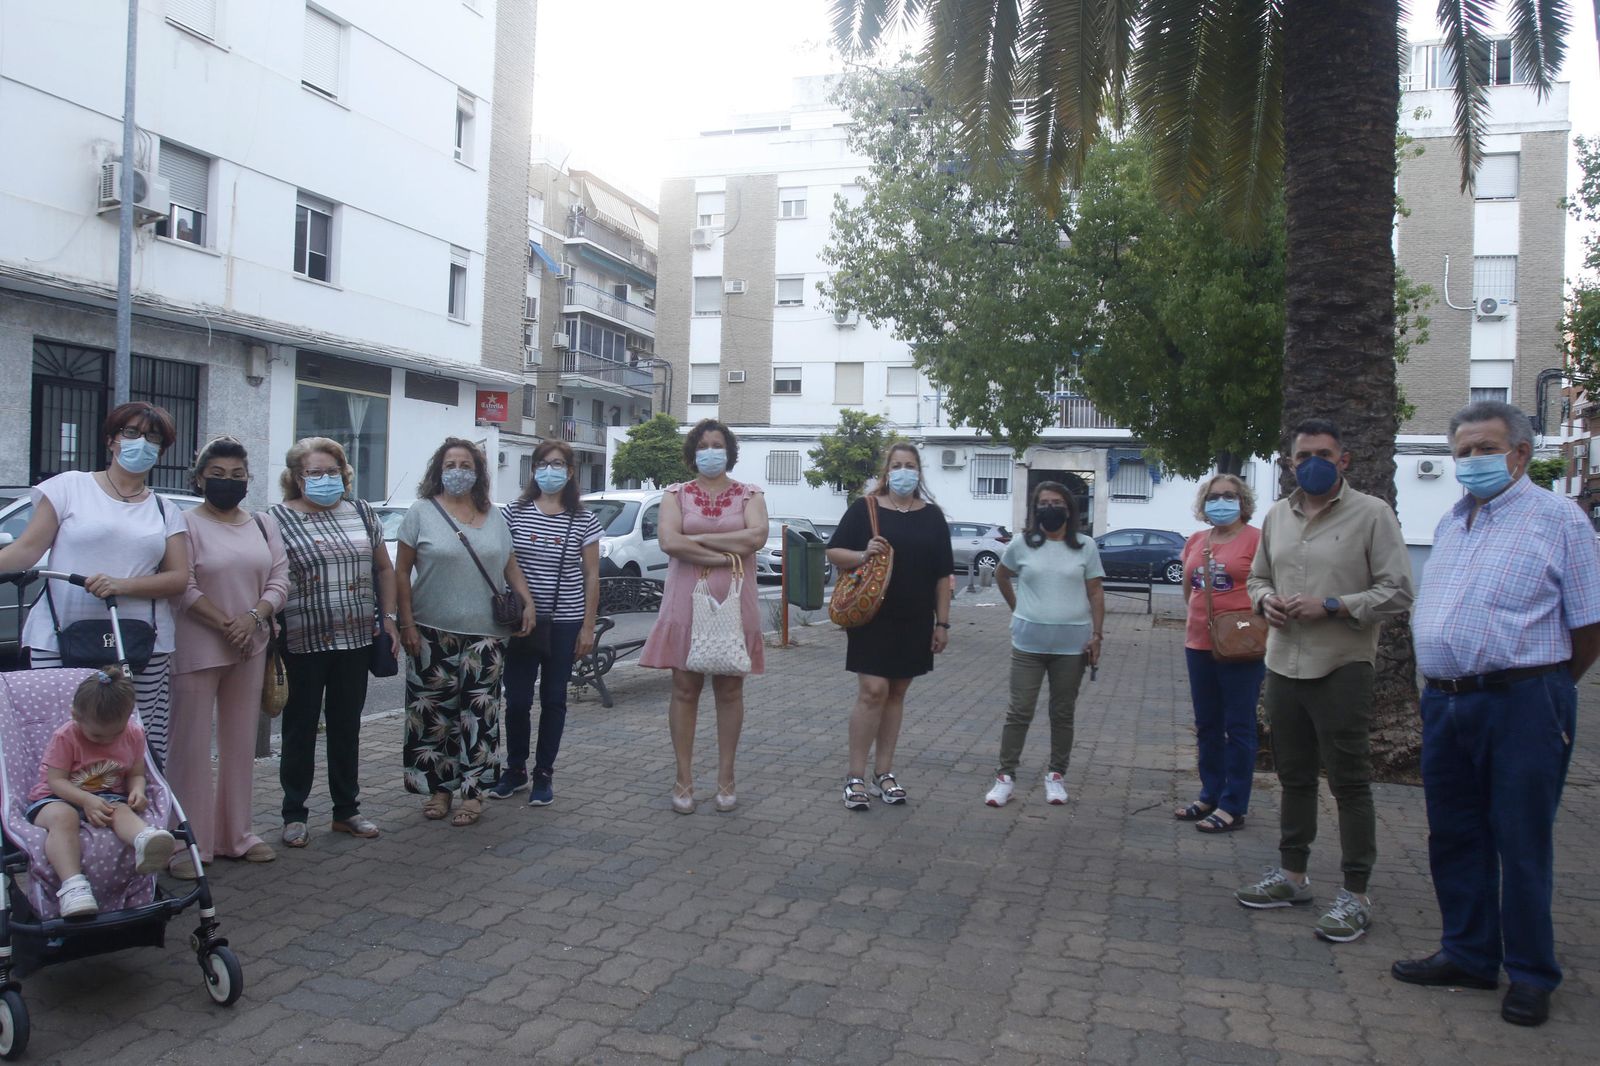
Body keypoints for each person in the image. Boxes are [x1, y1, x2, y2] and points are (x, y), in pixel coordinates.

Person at [1392, 401, 1600, 1027]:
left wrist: (1548, 691)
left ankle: (1533, 974)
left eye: (1485, 449)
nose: (1472, 462)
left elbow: (1588, 625)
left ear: (1520, 454)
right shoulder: (1455, 522)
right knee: (1455, 834)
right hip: (1448, 701)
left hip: (1524, 702)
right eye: (1462, 452)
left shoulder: (1559, 519)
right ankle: (1469, 953)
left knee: (1521, 839)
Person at [1238, 419, 1413, 942]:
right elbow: (1257, 576)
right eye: (1302, 454)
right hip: (1282, 664)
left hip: (1341, 666)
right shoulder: (1276, 515)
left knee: (1349, 782)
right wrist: (1264, 600)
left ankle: (1356, 894)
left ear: (1344, 460)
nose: (1312, 461)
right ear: (1290, 463)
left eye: (1323, 453)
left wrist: (1333, 605)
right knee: (1293, 778)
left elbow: (1399, 590)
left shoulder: (1372, 514)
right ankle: (1292, 876)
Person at [0, 403, 189, 766]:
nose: (140, 443)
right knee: (58, 740)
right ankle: (59, 817)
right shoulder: (70, 487)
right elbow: (26, 549)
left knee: (137, 743)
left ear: (162, 450)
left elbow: (178, 578)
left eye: (152, 438)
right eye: (130, 433)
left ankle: (134, 816)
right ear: (111, 440)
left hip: (140, 645)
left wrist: (122, 585)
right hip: (60, 637)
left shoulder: (166, 510)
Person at [395, 438, 534, 828]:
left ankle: (473, 793)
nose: (458, 471)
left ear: (477, 473)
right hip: (429, 631)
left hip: (486, 635)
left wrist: (529, 602)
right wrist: (404, 622)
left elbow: (509, 565)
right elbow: (401, 572)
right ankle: (439, 789)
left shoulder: (494, 515)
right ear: (439, 470)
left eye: (466, 465)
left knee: (480, 715)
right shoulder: (421, 512)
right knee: (433, 714)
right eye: (451, 464)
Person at [166, 437, 289, 877]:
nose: (227, 483)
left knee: (241, 746)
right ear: (199, 477)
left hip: (251, 644)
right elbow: (181, 585)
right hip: (198, 646)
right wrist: (227, 623)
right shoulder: (182, 523)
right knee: (190, 748)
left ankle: (237, 834)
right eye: (217, 475)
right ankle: (187, 844)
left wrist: (254, 618)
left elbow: (279, 578)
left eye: (237, 476)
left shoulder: (262, 524)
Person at [270, 437, 399, 848]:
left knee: (347, 728)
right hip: (301, 640)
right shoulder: (274, 520)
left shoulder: (361, 512)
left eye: (332, 471)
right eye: (314, 472)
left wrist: (390, 618)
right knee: (300, 729)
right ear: (296, 477)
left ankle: (347, 810)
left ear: (344, 473)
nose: (325, 479)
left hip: (357, 638)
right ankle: (294, 813)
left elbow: (384, 569)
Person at [639, 419, 767, 814]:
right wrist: (724, 554)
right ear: (693, 451)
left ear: (729, 451)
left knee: (730, 690)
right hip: (684, 602)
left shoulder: (750, 494)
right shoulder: (675, 494)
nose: (711, 451)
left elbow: (757, 536)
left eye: (718, 444)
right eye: (704, 444)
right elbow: (667, 541)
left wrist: (695, 540)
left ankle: (726, 778)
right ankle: (684, 778)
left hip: (735, 601)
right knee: (684, 689)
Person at [826, 443, 954, 811]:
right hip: (872, 617)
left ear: (919, 472)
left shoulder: (932, 517)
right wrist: (863, 553)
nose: (903, 472)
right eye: (896, 465)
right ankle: (854, 777)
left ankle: (884, 772)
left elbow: (942, 575)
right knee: (872, 690)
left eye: (910, 465)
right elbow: (834, 552)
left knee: (896, 692)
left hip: (915, 618)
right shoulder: (864, 509)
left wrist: (942, 623)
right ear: (886, 471)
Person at [488, 439, 602, 805]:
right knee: (517, 699)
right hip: (523, 622)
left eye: (558, 464)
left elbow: (591, 576)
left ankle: (544, 773)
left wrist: (588, 627)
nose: (549, 470)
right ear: (534, 470)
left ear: (570, 473)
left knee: (554, 699)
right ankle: (516, 769)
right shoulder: (513, 513)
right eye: (543, 463)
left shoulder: (584, 519)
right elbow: (502, 562)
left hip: (566, 621)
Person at [983, 482, 1103, 808]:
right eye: (1044, 503)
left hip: (1072, 646)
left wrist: (1098, 635)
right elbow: (1001, 575)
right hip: (1028, 644)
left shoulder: (1086, 546)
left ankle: (1056, 777)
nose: (1050, 508)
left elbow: (1095, 592)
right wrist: (1018, 607)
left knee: (1062, 713)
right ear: (1035, 510)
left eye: (1057, 502)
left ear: (1069, 508)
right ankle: (1005, 778)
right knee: (1019, 710)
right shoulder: (1022, 544)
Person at [27, 667, 178, 918]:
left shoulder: (133, 733)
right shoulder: (66, 736)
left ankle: (146, 841)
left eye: (115, 734)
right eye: (96, 735)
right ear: (76, 716)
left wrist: (138, 790)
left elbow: (136, 773)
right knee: (65, 817)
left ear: (129, 717)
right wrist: (86, 800)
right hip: (56, 797)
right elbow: (55, 781)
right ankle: (73, 886)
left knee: (122, 810)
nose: (106, 741)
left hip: (107, 797)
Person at [1173, 472, 1265, 833]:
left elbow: (1267, 586)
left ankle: (1234, 804)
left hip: (1241, 646)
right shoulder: (1197, 539)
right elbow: (1189, 588)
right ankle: (1210, 793)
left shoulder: (1258, 540)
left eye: (1229, 495)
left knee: (1238, 726)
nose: (1221, 502)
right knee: (1207, 725)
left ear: (1242, 502)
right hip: (1199, 643)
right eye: (1214, 496)